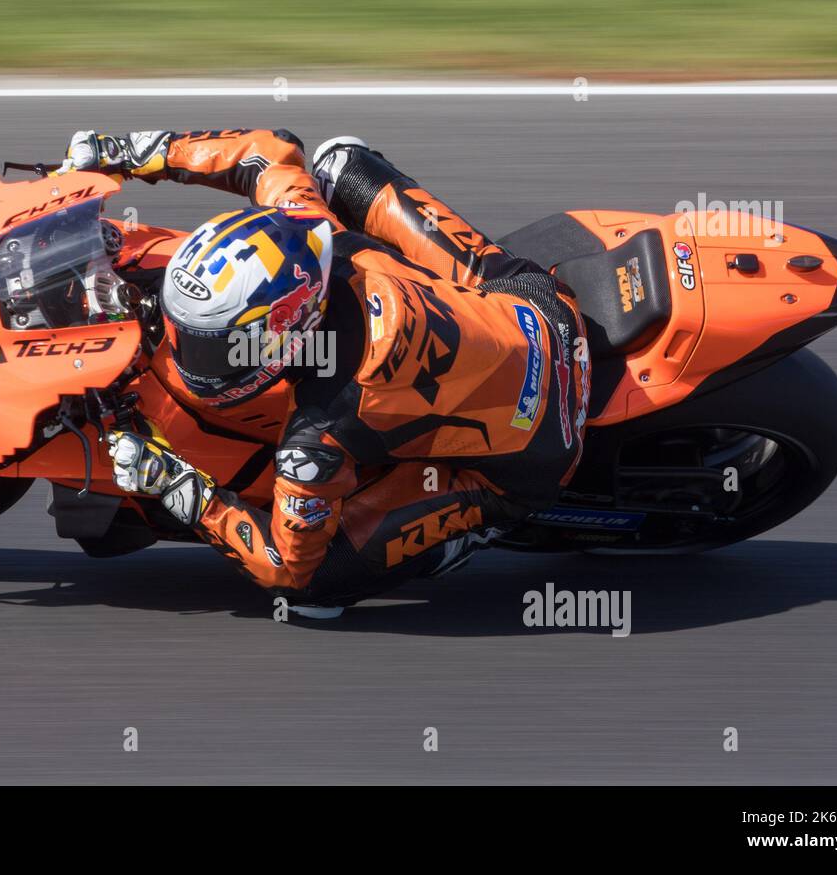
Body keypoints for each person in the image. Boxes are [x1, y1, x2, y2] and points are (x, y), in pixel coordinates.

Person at [61, 128, 589, 616]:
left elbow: (286, 564)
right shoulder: (312, 231)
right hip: (539, 306)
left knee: (310, 592)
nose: (187, 354)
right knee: (340, 164)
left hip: (535, 454)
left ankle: (467, 536)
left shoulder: (317, 436)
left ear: (285, 327)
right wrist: (129, 153)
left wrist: (178, 485)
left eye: (214, 346)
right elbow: (268, 151)